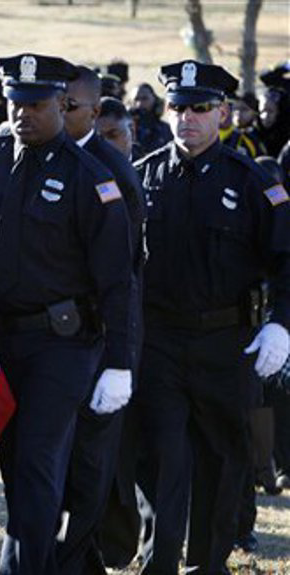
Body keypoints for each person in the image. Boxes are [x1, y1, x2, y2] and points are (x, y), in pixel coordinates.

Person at [0, 53, 134, 574]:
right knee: (13, 462)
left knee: (38, 462)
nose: (22, 114)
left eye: (35, 104)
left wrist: (120, 361)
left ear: (62, 104)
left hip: (62, 344)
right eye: (15, 103)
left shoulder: (92, 177)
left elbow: (117, 279)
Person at [133, 60, 290, 575]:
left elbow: (287, 261)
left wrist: (281, 324)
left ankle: (207, 562)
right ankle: (158, 561)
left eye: (200, 108)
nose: (188, 119)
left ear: (223, 112)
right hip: (158, 340)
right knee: (161, 455)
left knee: (224, 459)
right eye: (179, 107)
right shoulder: (143, 176)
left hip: (226, 343)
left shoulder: (253, 181)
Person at [57, 64, 145, 575]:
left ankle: (78, 560)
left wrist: (120, 357)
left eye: (69, 105)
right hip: (44, 339)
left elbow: (125, 273)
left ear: (93, 109)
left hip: (96, 335)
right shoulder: (35, 157)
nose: (58, 112)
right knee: (49, 460)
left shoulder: (113, 170)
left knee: (91, 463)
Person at [129, 82, 172, 157]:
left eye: (144, 99)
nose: (139, 104)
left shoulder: (166, 130)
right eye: (136, 99)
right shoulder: (126, 130)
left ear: (155, 99)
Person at [220, 93, 266, 158]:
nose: (238, 113)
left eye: (244, 109)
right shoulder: (224, 133)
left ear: (255, 113)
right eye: (236, 108)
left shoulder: (255, 137)